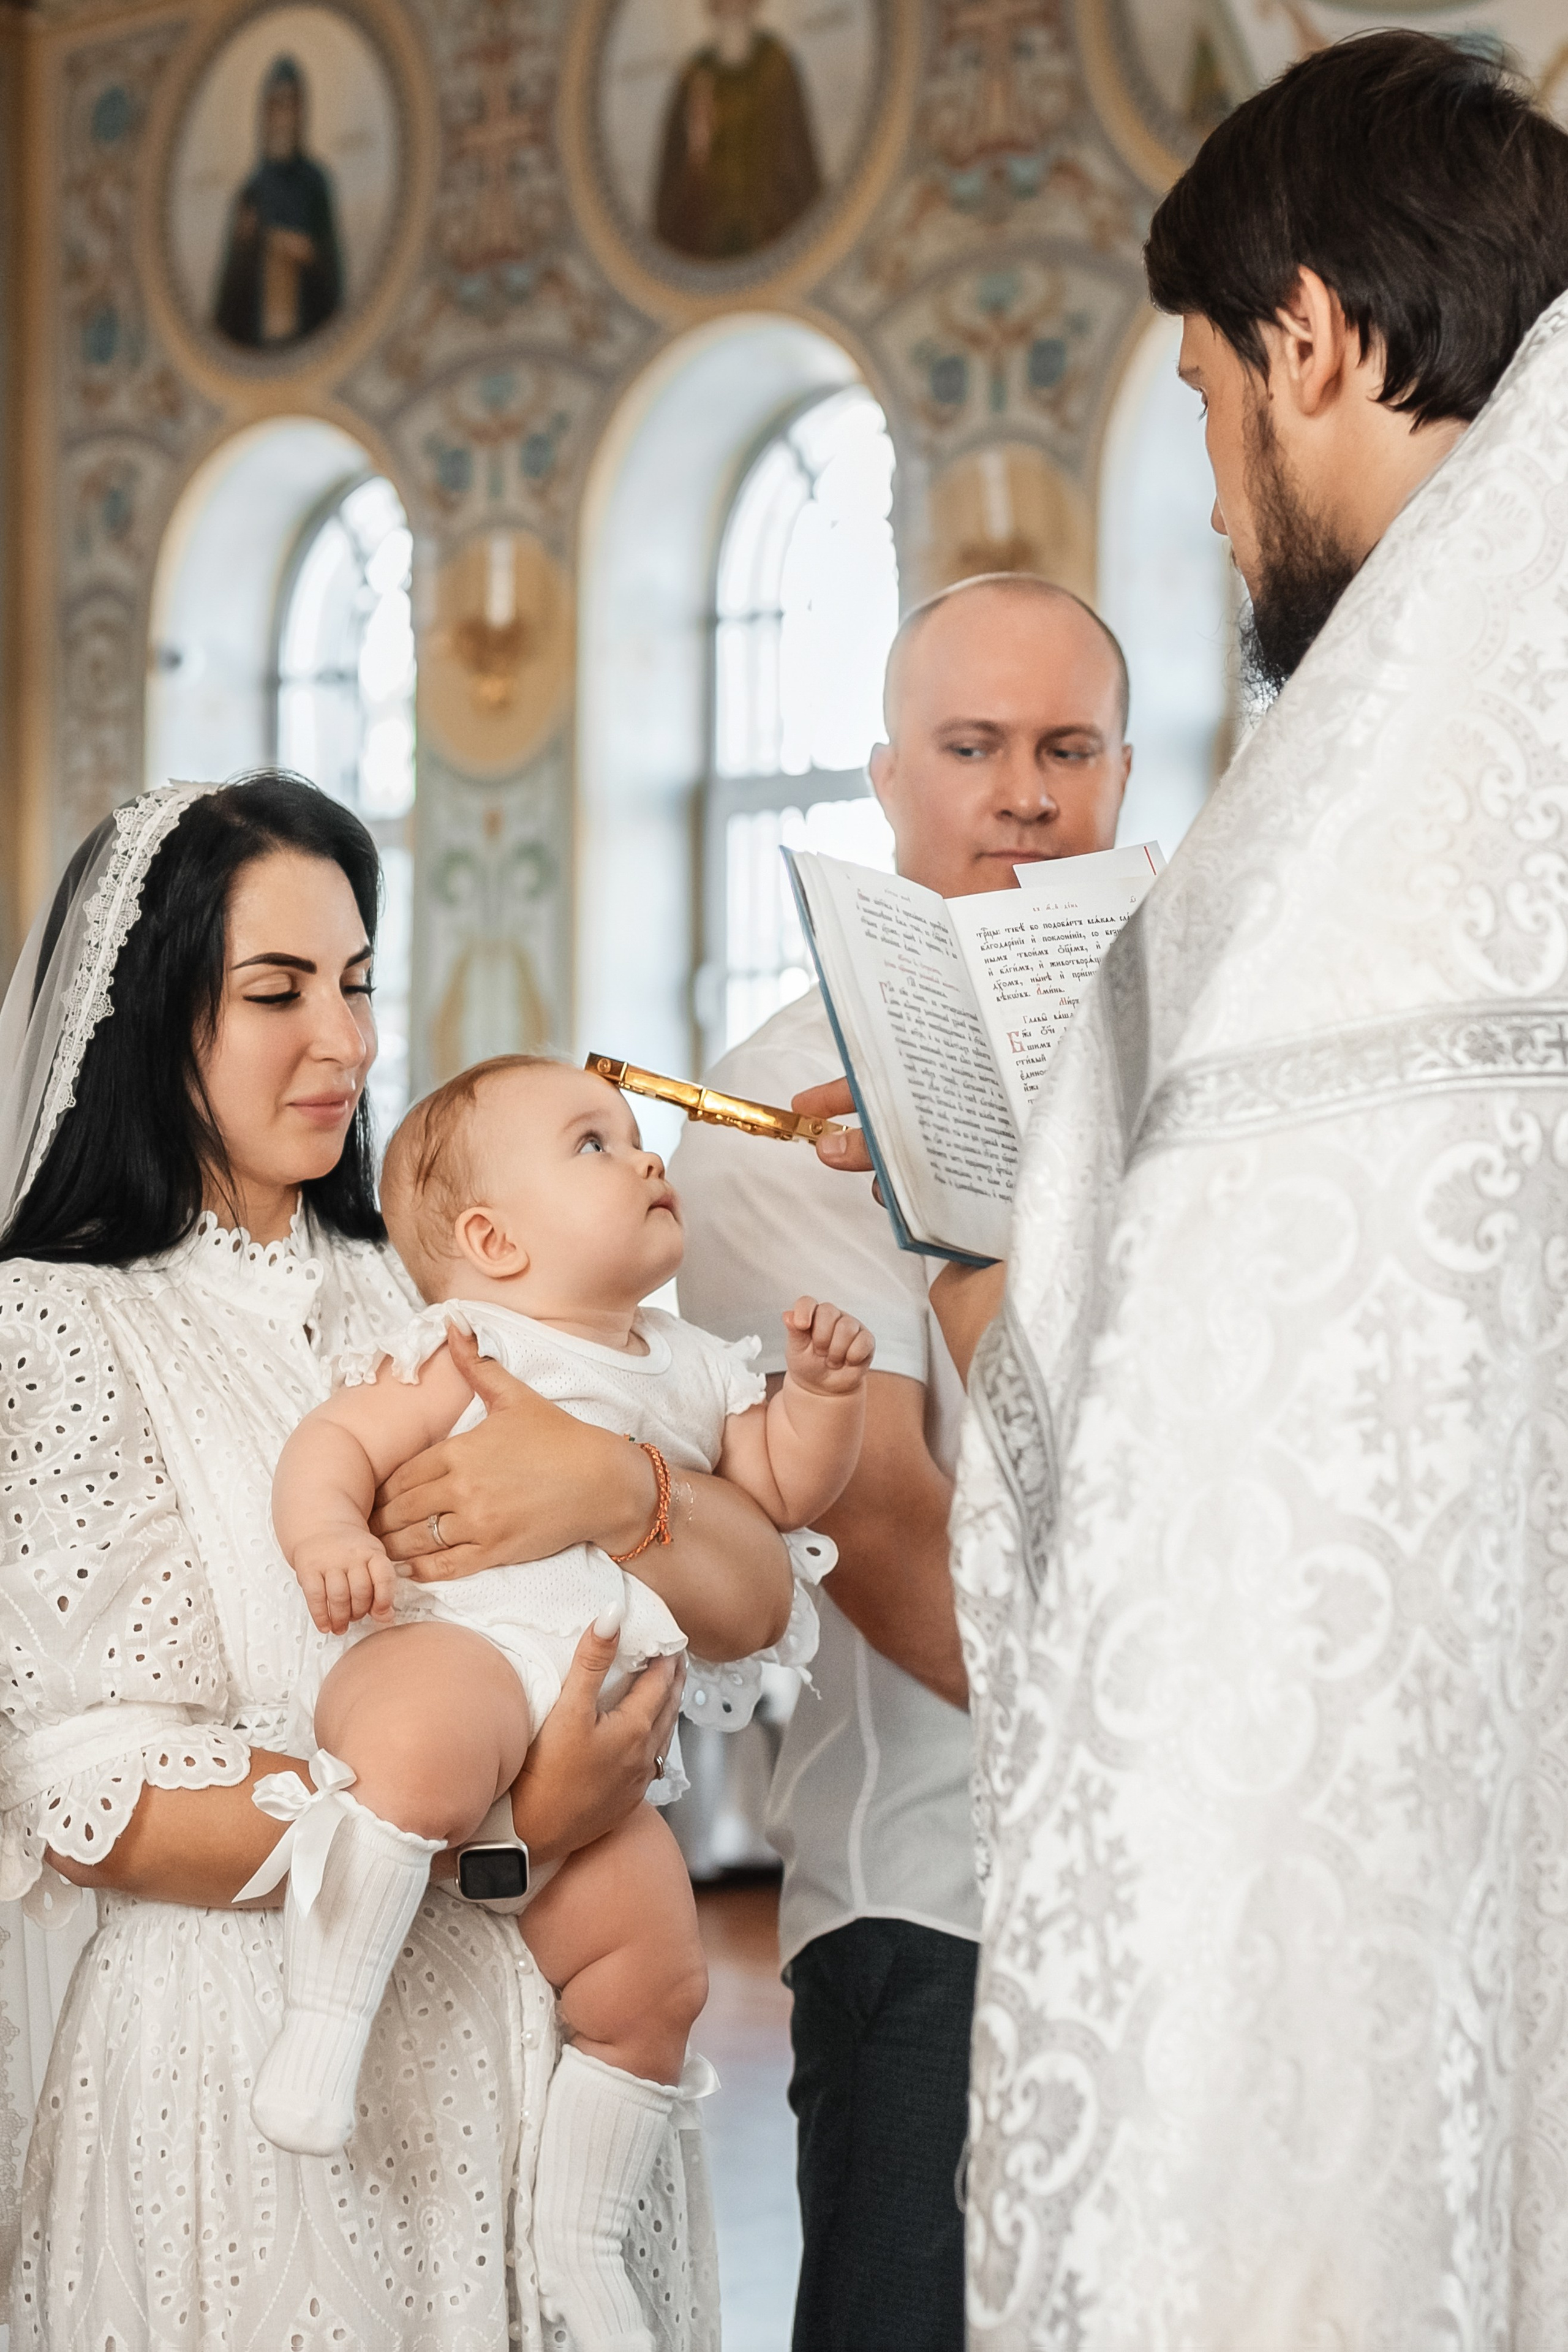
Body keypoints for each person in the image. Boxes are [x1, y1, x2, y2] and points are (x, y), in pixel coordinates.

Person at [932, 34, 1568, 2350]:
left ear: (1303, 341)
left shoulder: (1342, 860)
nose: (1212, 502)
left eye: (1203, 403)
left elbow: (1191, 1523)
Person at [0, 774, 796, 2348]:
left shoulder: (451, 1285)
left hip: (544, 2043)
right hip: (242, 2074)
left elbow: (755, 1596)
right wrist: (506, 1823)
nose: (350, 1042)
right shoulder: (57, 1325)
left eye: (357, 983)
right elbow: (95, 1795)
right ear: (154, 1014)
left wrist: (615, 1482)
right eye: (276, 991)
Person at [673, 571, 1133, 2351]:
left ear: (1119, 778)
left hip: (1203, 1863)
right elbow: (881, 1533)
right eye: (970, 746)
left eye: (1067, 748)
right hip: (945, 1897)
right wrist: (1151, 1757)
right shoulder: (771, 1118)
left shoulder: (1173, 1071)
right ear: (883, 777)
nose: (1023, 795)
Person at [256, 1050, 869, 2343]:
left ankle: (577, 2241)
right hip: (459, 1644)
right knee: (423, 1753)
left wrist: (818, 1400)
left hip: (597, 1740)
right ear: (493, 1241)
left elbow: (774, 1491)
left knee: (657, 1979)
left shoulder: (691, 1364)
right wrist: (327, 1537)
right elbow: (338, 1442)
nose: (644, 1155)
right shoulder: (471, 1347)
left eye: (634, 1136)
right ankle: (325, 2023)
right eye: (594, 1144)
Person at [653, 0, 823, 261]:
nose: (732, 8)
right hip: (708, 244)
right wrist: (698, 150)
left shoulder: (775, 67)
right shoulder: (694, 78)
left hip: (773, 235)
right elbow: (673, 179)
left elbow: (798, 160)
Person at [215, 56, 342, 349]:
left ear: (300, 111)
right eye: (275, 105)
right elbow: (231, 293)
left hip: (308, 330)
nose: (281, 116)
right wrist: (246, 245)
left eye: (289, 104)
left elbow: (332, 266)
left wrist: (307, 253)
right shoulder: (252, 192)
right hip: (259, 340)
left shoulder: (314, 183)